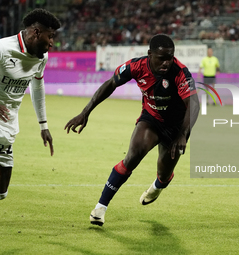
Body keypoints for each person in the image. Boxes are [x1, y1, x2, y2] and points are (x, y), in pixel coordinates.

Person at [64, 34, 200, 226]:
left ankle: (157, 186)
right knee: (133, 155)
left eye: (170, 57)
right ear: (150, 54)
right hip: (151, 119)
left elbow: (193, 104)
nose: (167, 63)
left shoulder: (180, 72)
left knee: (164, 173)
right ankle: (100, 208)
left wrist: (183, 135)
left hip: (177, 127)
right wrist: (85, 112)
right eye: (162, 58)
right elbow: (111, 83)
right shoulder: (136, 66)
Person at [0, 9, 60, 200]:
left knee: (2, 191)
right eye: (50, 36)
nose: (52, 42)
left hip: (8, 120)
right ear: (36, 32)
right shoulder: (3, 49)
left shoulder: (41, 57)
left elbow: (37, 88)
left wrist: (44, 125)